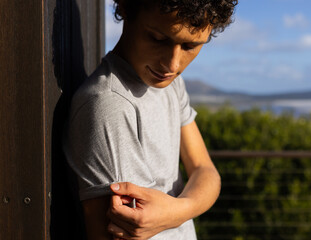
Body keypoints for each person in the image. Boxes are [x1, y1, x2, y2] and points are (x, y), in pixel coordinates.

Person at [63, 0, 238, 239]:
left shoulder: (171, 83)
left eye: (190, 46)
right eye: (158, 39)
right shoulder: (109, 104)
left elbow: (205, 170)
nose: (172, 65)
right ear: (126, 8)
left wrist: (176, 211)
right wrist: (184, 208)